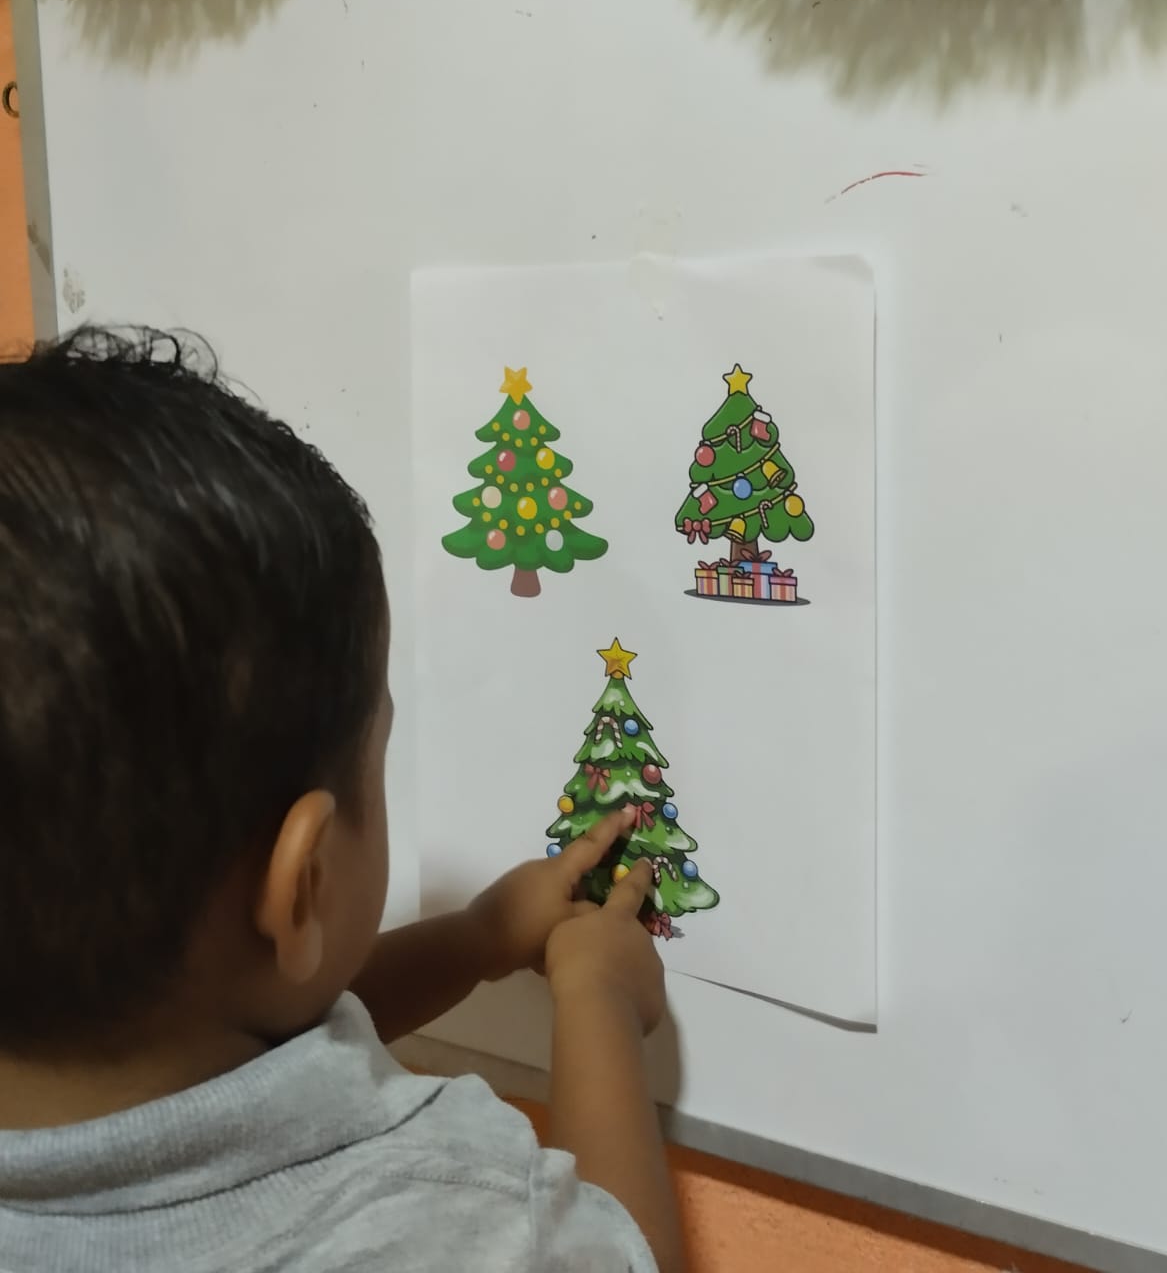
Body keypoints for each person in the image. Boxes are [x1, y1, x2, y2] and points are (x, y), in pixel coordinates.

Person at [0, 326, 681, 1273]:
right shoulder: (455, 1229)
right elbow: (629, 1254)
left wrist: (478, 938)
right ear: (306, 876)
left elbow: (253, 1023)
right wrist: (596, 997)